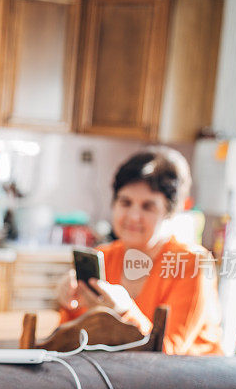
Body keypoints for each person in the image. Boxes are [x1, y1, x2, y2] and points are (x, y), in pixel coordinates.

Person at [57, 148, 223, 355]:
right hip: (122, 377)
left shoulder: (191, 264)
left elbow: (168, 353)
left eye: (148, 206)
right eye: (125, 202)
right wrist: (70, 304)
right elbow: (75, 342)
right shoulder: (104, 256)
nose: (133, 216)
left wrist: (124, 313)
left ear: (169, 213)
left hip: (194, 380)